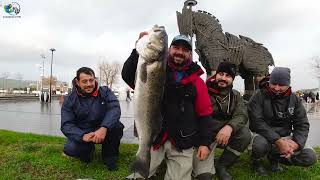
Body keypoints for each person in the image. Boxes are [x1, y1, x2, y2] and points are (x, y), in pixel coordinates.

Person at [122, 33, 215, 180]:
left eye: (185, 49)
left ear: (190, 54)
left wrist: (204, 143)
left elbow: (205, 114)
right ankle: (145, 166)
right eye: (176, 47)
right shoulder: (155, 69)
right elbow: (127, 75)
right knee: (137, 176)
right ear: (168, 49)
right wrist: (137, 49)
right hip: (155, 137)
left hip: (182, 141)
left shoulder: (198, 82)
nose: (179, 52)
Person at [248, 67, 317, 176]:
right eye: (273, 83)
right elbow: (257, 122)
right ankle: (256, 162)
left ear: (288, 85)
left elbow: (302, 124)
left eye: (281, 85)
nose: (276, 88)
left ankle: (275, 158)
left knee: (310, 157)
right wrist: (278, 141)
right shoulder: (258, 95)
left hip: (286, 136)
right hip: (263, 135)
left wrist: (296, 144)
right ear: (269, 81)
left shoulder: (295, 99)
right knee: (259, 145)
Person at [193, 62, 251, 180]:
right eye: (221, 74)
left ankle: (222, 165)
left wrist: (229, 127)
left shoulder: (235, 95)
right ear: (216, 75)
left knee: (244, 134)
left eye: (228, 76)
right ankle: (201, 163)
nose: (223, 78)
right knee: (204, 176)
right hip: (203, 135)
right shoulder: (203, 89)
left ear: (232, 79)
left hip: (223, 134)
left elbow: (242, 115)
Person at [61, 67, 124, 171]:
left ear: (95, 79)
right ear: (77, 82)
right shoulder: (69, 99)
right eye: (84, 81)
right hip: (84, 132)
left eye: (91, 80)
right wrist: (82, 136)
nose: (89, 84)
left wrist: (104, 127)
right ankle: (88, 150)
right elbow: (66, 124)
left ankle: (109, 156)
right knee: (71, 149)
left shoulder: (106, 92)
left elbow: (114, 109)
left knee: (116, 126)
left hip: (104, 129)